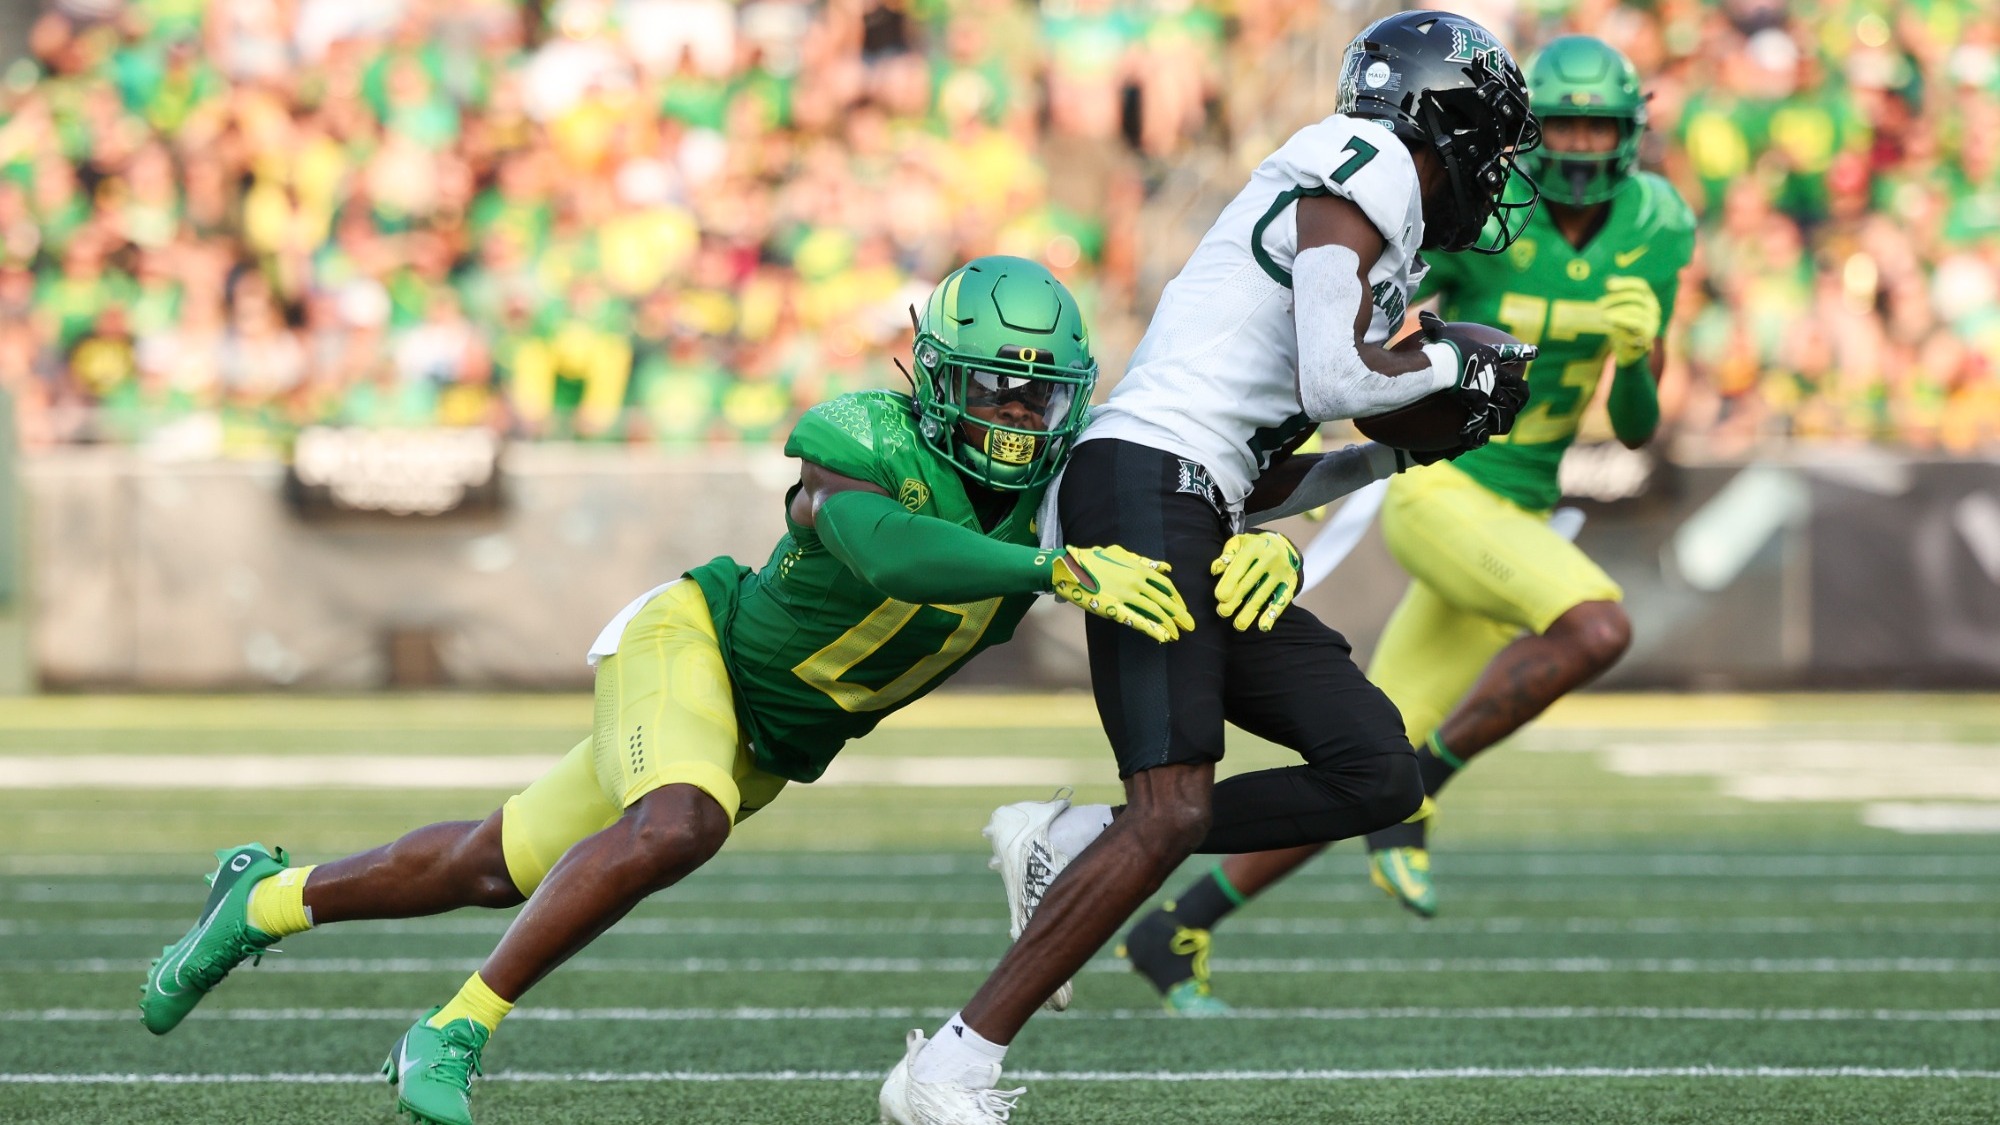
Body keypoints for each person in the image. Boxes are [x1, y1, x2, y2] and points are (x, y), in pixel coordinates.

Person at [137, 256, 1199, 1125]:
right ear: (932, 377)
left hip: (768, 741)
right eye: (990, 387)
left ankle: (262, 898)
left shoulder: (1061, 495)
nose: (1014, 416)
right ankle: (453, 1029)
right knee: (680, 822)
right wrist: (1049, 571)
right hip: (692, 649)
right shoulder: (867, 440)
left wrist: (1351, 465)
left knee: (491, 865)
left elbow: (1209, 473)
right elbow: (888, 551)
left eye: (1036, 394)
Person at [878, 12, 1539, 1121]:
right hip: (1142, 486)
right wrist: (1441, 359)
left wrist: (1396, 446)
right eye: (1490, 139)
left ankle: (1071, 837)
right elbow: (1335, 378)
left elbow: (1263, 469)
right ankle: (947, 1066)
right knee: (1172, 808)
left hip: (1191, 498)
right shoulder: (1363, 158)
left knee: (1373, 770)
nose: (1493, 169)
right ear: (1445, 119)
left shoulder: (1366, 235)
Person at [1121, 35, 1697, 1013]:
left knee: (1374, 766)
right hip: (1441, 490)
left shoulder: (1657, 223)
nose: (1582, 143)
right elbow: (1370, 348)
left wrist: (1638, 357)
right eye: (1562, 123)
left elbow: (1636, 428)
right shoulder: (1479, 217)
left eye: (1601, 124)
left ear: (1630, 130)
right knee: (1596, 626)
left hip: (1517, 513)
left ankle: (1176, 931)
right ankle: (1418, 799)